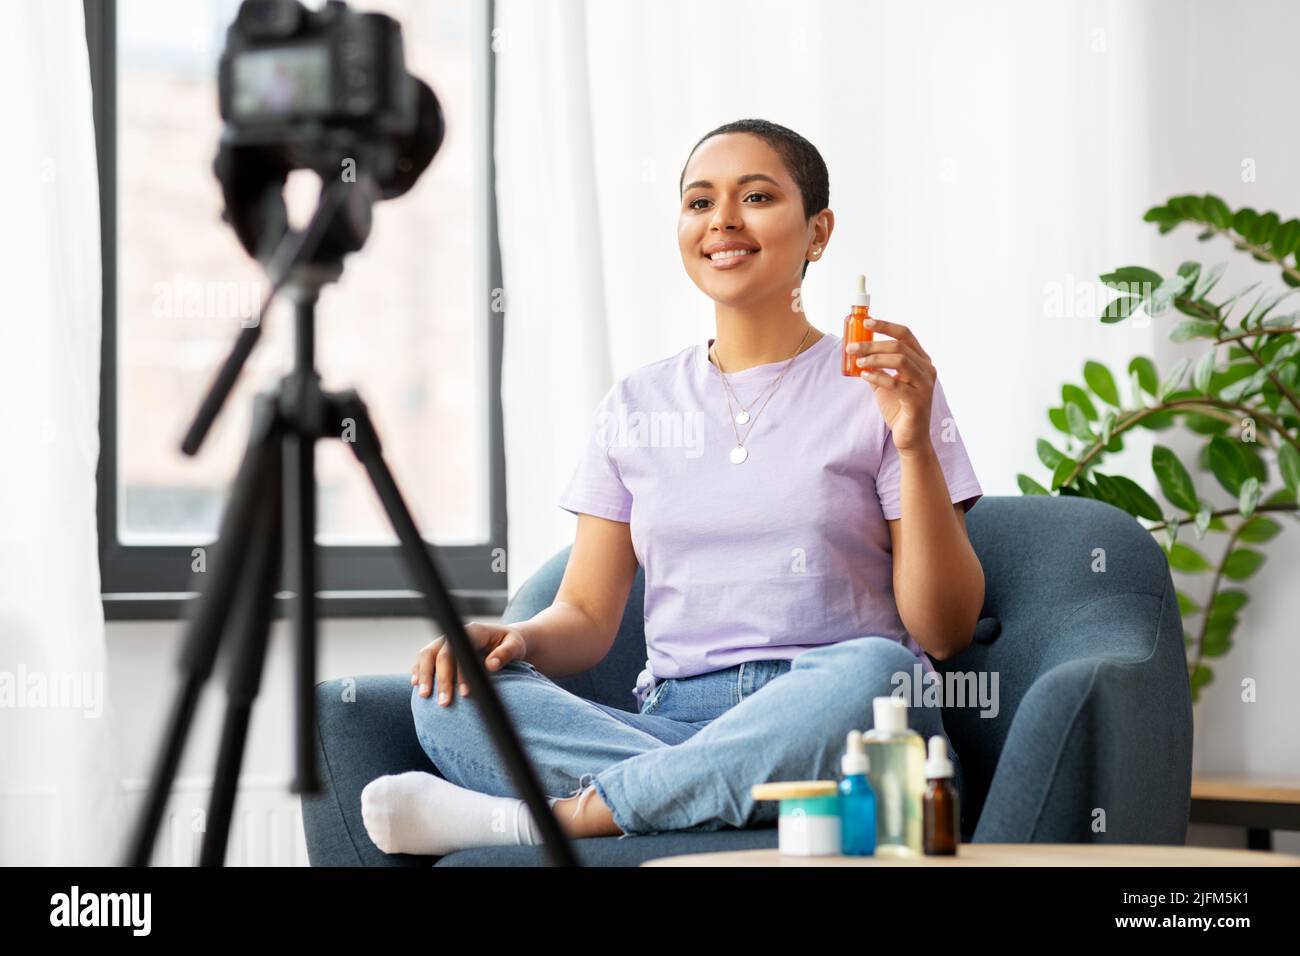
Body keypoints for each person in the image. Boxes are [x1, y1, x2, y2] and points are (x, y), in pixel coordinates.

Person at [359, 118, 985, 857]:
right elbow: (589, 614)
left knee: (880, 674)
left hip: (826, 707)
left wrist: (913, 443)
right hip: (668, 721)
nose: (722, 220)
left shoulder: (884, 387)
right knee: (450, 700)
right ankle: (735, 796)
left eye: (756, 196)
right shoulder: (637, 404)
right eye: (699, 202)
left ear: (818, 232)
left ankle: (567, 814)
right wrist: (514, 638)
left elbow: (943, 632)